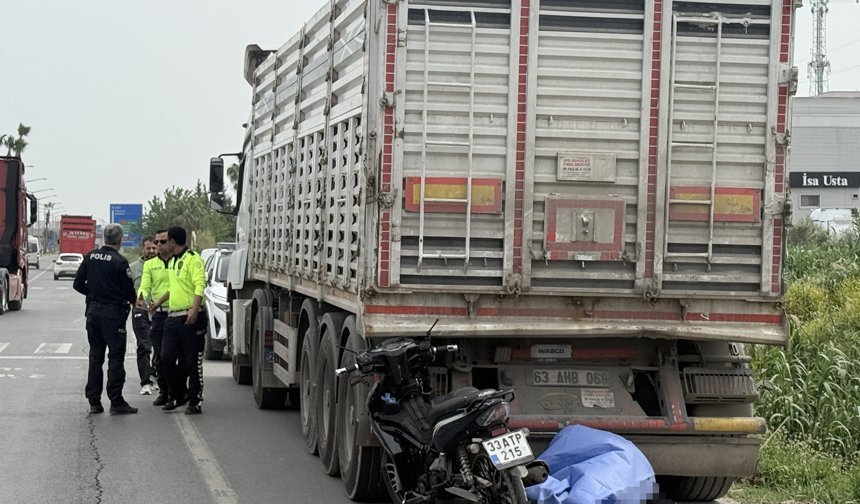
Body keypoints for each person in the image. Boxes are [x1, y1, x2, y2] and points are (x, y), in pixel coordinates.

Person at [73, 224, 139, 415]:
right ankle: (116, 401)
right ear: (120, 239)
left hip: (93, 312)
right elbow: (128, 290)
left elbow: (78, 284)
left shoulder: (91, 256)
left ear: (104, 238)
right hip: (113, 314)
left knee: (95, 356)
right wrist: (133, 302)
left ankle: (94, 401)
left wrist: (93, 294)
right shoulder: (120, 261)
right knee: (116, 357)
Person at [150, 226, 207, 415]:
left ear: (173, 242)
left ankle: (195, 400)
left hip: (190, 318)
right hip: (172, 319)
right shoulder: (173, 262)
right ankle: (176, 394)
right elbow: (174, 288)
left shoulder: (193, 259)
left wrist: (194, 309)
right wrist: (158, 302)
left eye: (165, 241)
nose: (162, 244)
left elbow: (200, 284)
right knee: (165, 358)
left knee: (192, 362)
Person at [138, 229, 184, 406]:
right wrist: (141, 297)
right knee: (160, 357)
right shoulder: (150, 265)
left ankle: (181, 391)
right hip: (159, 315)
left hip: (178, 313)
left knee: (180, 356)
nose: (158, 245)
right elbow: (145, 284)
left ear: (171, 242)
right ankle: (165, 392)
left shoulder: (179, 262)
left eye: (162, 242)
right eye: (156, 242)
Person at [129, 236, 157, 395]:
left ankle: (155, 375)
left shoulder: (163, 266)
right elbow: (126, 289)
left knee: (160, 348)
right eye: (149, 248)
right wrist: (133, 303)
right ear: (143, 249)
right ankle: (145, 382)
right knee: (144, 346)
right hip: (141, 312)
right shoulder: (133, 268)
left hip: (160, 312)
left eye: (154, 248)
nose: (152, 251)